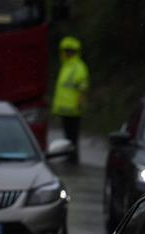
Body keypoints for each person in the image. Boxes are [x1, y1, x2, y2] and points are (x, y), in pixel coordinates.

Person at [51, 36, 90, 164]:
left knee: (72, 137)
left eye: (68, 51)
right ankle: (70, 157)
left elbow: (82, 87)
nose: (65, 53)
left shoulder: (78, 67)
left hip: (73, 109)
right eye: (65, 51)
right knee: (68, 137)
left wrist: (80, 103)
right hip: (65, 110)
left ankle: (73, 159)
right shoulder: (66, 66)